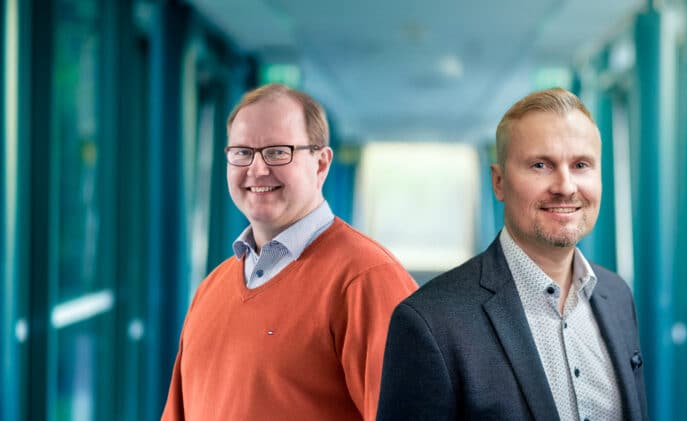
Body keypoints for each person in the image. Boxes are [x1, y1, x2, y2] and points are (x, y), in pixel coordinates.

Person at [377, 87, 648, 421]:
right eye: (540, 165)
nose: (565, 186)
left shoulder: (616, 295)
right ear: (499, 182)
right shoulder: (431, 322)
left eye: (581, 164)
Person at [162, 83, 417, 420]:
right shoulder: (210, 290)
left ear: (321, 163)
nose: (257, 169)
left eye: (278, 151)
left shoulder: (367, 279)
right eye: (242, 152)